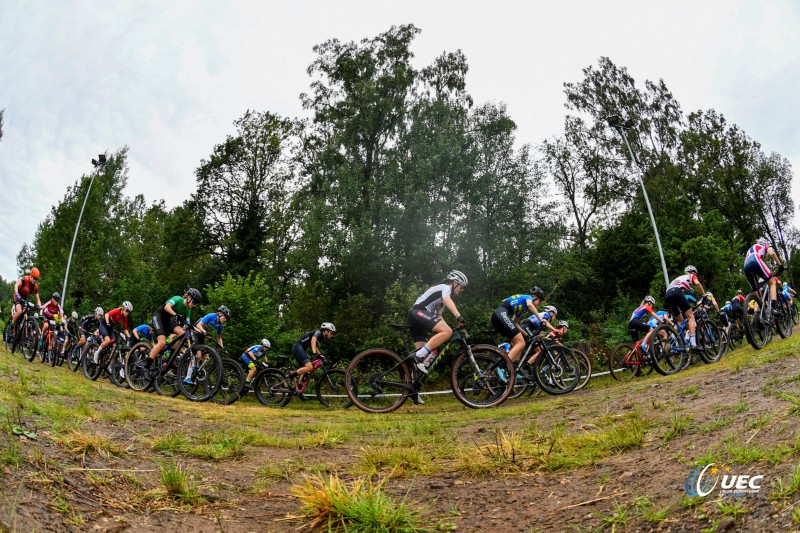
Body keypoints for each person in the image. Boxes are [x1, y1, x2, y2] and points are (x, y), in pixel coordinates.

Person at [408, 270, 468, 375]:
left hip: (416, 316)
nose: (462, 290)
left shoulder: (442, 297)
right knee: (446, 333)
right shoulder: (445, 288)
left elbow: (438, 315)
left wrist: (449, 328)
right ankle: (418, 356)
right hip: (418, 312)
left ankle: (410, 386)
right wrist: (458, 316)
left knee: (424, 356)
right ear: (455, 282)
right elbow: (447, 299)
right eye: (461, 287)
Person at [490, 287, 557, 365]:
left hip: (498, 315)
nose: (539, 304)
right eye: (540, 301)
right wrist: (541, 320)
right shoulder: (528, 297)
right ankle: (503, 366)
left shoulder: (521, 307)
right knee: (521, 343)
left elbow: (515, 322)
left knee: (519, 343)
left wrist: (525, 334)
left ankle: (513, 367)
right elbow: (530, 304)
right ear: (535, 297)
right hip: (501, 313)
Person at [143, 288, 202, 374]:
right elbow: (167, 307)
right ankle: (146, 367)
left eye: (196, 303)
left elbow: (188, 325)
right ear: (188, 298)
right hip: (158, 317)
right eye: (194, 302)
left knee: (182, 333)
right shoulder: (178, 299)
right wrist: (176, 315)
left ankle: (169, 358)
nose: (195, 305)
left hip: (168, 320)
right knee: (162, 342)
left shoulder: (188, 310)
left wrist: (197, 331)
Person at [664, 265, 710, 351]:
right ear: (694, 272)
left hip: (667, 295)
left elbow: (680, 295)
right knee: (691, 317)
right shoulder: (691, 275)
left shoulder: (678, 279)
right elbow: (697, 283)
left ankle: (673, 343)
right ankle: (693, 344)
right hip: (676, 292)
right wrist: (704, 295)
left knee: (680, 321)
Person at [744, 237, 784, 317]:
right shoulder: (764, 245)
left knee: (758, 295)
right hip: (755, 259)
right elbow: (772, 253)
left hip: (745, 265)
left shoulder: (751, 249)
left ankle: (756, 314)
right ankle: (773, 308)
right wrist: (780, 265)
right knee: (772, 282)